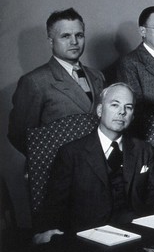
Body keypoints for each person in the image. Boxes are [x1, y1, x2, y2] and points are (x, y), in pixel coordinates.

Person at [33, 83, 154, 244]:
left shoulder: (144, 150)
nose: (122, 112)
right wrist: (44, 232)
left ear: (132, 116)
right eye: (115, 105)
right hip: (90, 238)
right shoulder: (71, 153)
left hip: (139, 234)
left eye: (128, 107)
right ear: (100, 111)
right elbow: (55, 205)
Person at [8, 8, 105, 154]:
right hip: (62, 171)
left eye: (79, 35)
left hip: (101, 167)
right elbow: (19, 135)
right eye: (65, 36)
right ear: (51, 41)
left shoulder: (97, 76)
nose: (74, 42)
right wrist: (49, 163)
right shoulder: (35, 82)